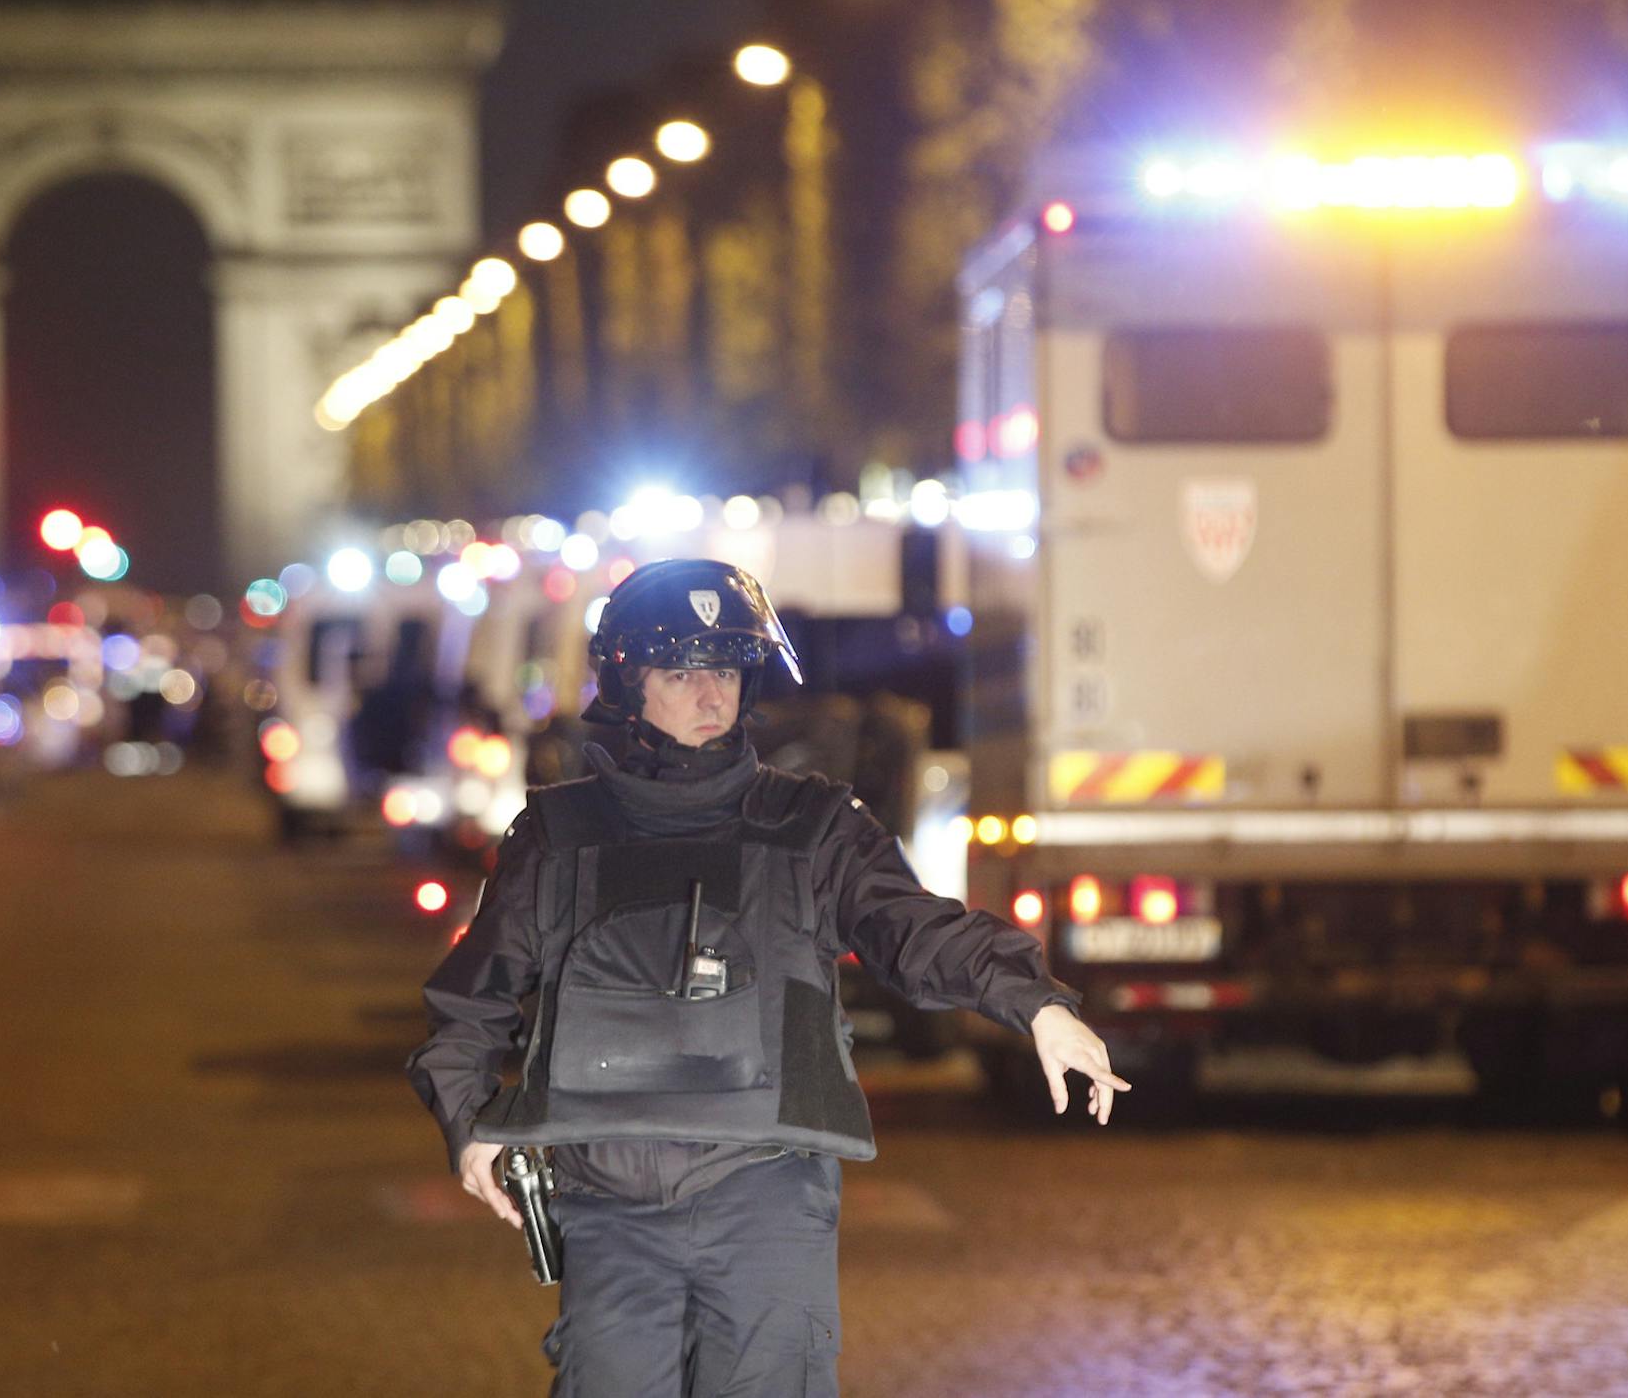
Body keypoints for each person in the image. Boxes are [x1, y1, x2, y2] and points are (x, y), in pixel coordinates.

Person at [407, 558, 1127, 1397]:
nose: (710, 693)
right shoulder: (559, 833)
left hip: (766, 1195)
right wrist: (468, 1121)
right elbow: (471, 995)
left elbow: (910, 926)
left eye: (725, 669)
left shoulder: (814, 825)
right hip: (610, 1204)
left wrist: (1035, 1002)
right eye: (681, 671)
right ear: (629, 684)